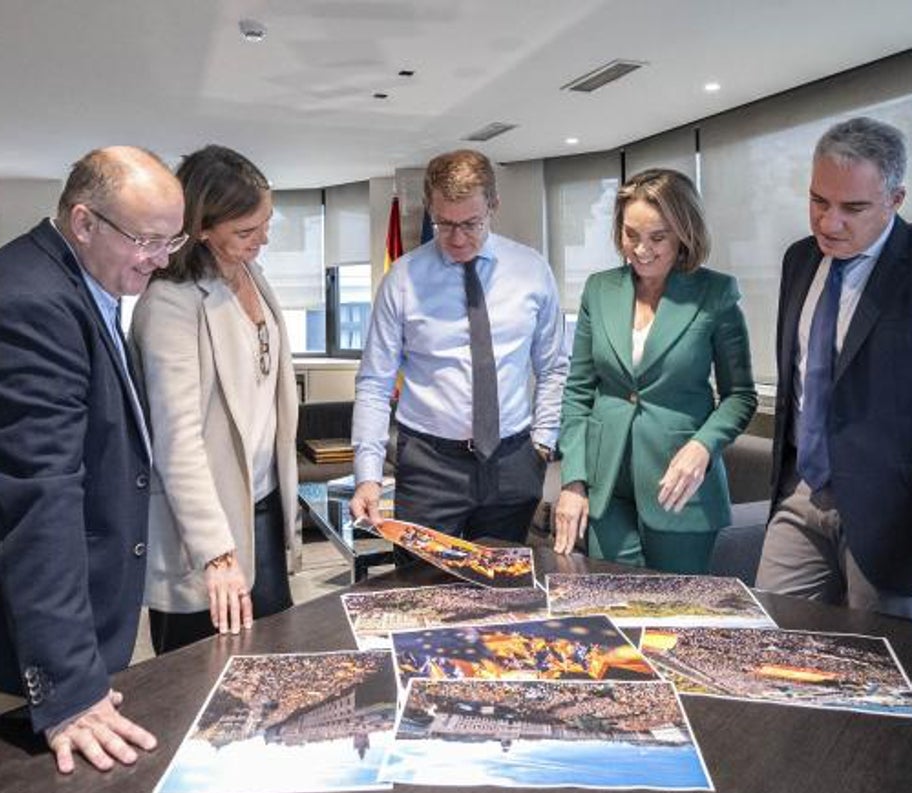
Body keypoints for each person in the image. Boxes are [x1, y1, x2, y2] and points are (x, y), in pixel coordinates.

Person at [0, 147, 186, 773]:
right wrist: (68, 688)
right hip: (28, 629)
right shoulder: (29, 306)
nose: (160, 259)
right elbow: (37, 498)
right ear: (83, 222)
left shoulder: (78, 282)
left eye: (171, 241)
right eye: (147, 240)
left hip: (77, 607)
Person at [350, 149, 568, 553]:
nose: (457, 238)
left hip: (513, 460)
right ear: (431, 208)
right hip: (431, 466)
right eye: (444, 224)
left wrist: (542, 442)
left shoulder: (532, 271)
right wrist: (368, 474)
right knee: (419, 592)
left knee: (506, 591)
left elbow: (554, 367)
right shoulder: (402, 279)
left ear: (493, 206)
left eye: (471, 223)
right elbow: (375, 383)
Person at [130, 145, 299, 654]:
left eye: (266, 224)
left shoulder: (251, 274)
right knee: (204, 679)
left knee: (275, 662)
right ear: (201, 228)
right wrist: (216, 553)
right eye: (246, 232)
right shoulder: (169, 304)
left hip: (263, 508)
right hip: (207, 529)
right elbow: (176, 440)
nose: (261, 241)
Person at [552, 168, 757, 573]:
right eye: (631, 235)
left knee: (675, 622)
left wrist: (703, 446)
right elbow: (578, 392)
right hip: (605, 485)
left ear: (684, 232)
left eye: (657, 237)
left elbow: (740, 395)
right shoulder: (598, 289)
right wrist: (573, 481)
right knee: (608, 608)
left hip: (679, 487)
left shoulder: (715, 294)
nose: (641, 250)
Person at [756, 117, 911, 617]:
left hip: (891, 516)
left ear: (896, 199)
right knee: (767, 640)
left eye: (853, 207)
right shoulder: (799, 260)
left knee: (880, 671)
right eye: (819, 201)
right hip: (802, 491)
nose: (828, 223)